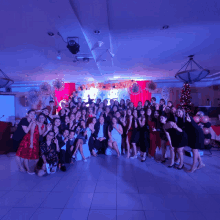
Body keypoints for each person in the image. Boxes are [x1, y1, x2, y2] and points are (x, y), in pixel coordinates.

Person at [16, 109, 40, 174]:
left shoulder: (31, 120)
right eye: (31, 113)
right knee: (18, 154)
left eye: (34, 114)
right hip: (17, 137)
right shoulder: (24, 120)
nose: (32, 115)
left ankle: (23, 166)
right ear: (28, 114)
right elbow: (26, 131)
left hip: (23, 138)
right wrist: (32, 123)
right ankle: (20, 167)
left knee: (22, 153)